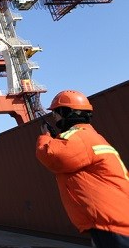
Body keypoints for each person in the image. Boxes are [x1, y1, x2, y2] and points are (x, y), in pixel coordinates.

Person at [36, 90, 129, 247]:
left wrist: (45, 136)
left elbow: (52, 156)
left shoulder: (77, 137)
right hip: (115, 218)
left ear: (66, 113)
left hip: (110, 224)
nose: (55, 118)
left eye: (56, 114)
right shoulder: (92, 136)